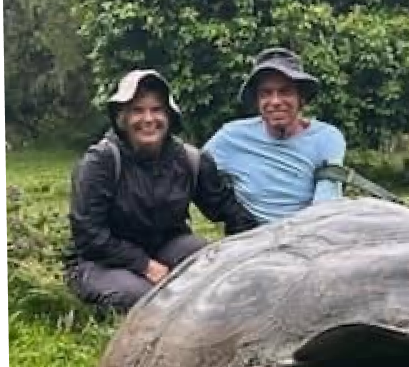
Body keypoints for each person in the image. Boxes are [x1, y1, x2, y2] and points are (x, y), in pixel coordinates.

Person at [63, 69, 256, 314]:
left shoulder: (190, 159)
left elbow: (226, 207)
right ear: (121, 117)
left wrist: (255, 249)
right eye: (137, 110)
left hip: (165, 247)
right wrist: (144, 265)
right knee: (146, 300)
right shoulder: (101, 162)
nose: (148, 119)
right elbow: (88, 234)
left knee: (209, 264)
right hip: (101, 260)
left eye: (156, 110)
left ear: (169, 116)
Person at [203, 47, 347, 228]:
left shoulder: (327, 138)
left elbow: (325, 204)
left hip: (308, 234)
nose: (276, 101)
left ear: (301, 98)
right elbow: (194, 169)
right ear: (257, 100)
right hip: (250, 237)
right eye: (266, 93)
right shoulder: (231, 137)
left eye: (285, 91)